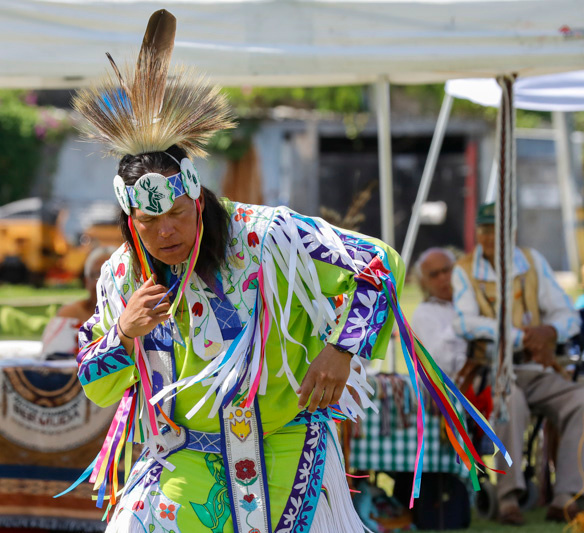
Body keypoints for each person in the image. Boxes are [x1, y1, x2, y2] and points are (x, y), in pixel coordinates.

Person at [64, 10, 505, 533]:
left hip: (284, 451)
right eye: (148, 222)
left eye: (177, 214)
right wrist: (123, 331)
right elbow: (94, 381)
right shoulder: (122, 276)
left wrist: (342, 351)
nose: (165, 233)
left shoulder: (268, 237)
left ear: (198, 199)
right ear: (129, 220)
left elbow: (378, 264)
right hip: (181, 463)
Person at [453, 202, 583, 525]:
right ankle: (508, 498)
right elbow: (464, 322)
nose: (489, 237)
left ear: (510, 233)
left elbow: (567, 313)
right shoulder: (464, 270)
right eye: (484, 230)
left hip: (536, 369)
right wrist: (518, 337)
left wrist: (551, 331)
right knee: (511, 405)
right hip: (494, 370)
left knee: (580, 401)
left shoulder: (532, 261)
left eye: (496, 230)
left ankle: (567, 496)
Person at [41, 246, 113, 358]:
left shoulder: (135, 315)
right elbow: (51, 360)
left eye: (110, 274)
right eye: (96, 274)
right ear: (86, 281)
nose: (102, 282)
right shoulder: (69, 316)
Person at [410, 247, 467, 378]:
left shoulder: (472, 301)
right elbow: (440, 362)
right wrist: (462, 322)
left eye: (446, 270)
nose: (443, 277)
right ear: (423, 283)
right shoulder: (423, 314)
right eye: (434, 275)